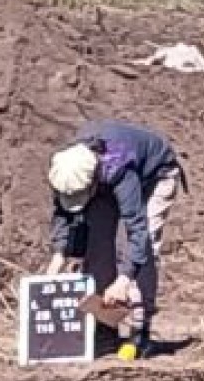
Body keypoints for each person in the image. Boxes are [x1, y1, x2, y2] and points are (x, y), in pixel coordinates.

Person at [46, 118, 186, 359]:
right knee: (98, 247)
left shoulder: (118, 166)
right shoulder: (66, 170)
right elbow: (62, 212)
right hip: (103, 183)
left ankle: (139, 332)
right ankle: (105, 328)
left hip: (154, 176)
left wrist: (124, 278)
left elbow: (137, 226)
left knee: (143, 248)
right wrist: (59, 255)